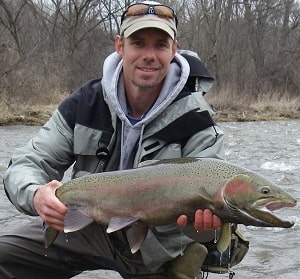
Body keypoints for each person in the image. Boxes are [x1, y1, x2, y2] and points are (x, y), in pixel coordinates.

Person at [0, 1, 248, 278]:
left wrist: (204, 228)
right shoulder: (85, 104)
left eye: (160, 45)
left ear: (173, 50)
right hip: (88, 225)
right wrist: (36, 195)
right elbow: (25, 164)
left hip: (159, 248)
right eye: (139, 43)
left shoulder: (198, 121)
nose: (149, 55)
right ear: (120, 46)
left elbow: (205, 228)